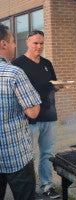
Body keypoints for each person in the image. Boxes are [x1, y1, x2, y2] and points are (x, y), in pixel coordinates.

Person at [12, 30, 63, 199]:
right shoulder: (17, 64)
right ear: (27, 42)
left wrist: (58, 86)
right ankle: (29, 191)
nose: (39, 46)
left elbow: (52, 84)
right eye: (35, 43)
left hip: (50, 117)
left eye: (42, 43)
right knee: (28, 156)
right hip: (28, 119)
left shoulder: (47, 63)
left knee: (47, 154)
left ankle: (47, 186)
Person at [0, 24, 41, 200]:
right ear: (3, 44)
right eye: (13, 41)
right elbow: (33, 112)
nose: (15, 46)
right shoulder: (14, 73)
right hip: (15, 156)